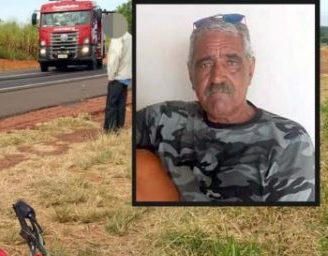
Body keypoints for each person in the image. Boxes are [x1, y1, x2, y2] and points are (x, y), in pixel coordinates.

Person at [135, 14, 315, 202]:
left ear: (251, 69)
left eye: (231, 63)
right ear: (191, 74)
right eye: (205, 64)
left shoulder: (289, 142)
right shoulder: (163, 119)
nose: (217, 78)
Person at [103, 30, 132, 133]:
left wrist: (111, 75)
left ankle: (110, 129)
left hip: (117, 76)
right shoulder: (128, 36)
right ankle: (119, 127)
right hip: (126, 75)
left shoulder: (117, 37)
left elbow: (115, 57)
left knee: (111, 104)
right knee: (121, 104)